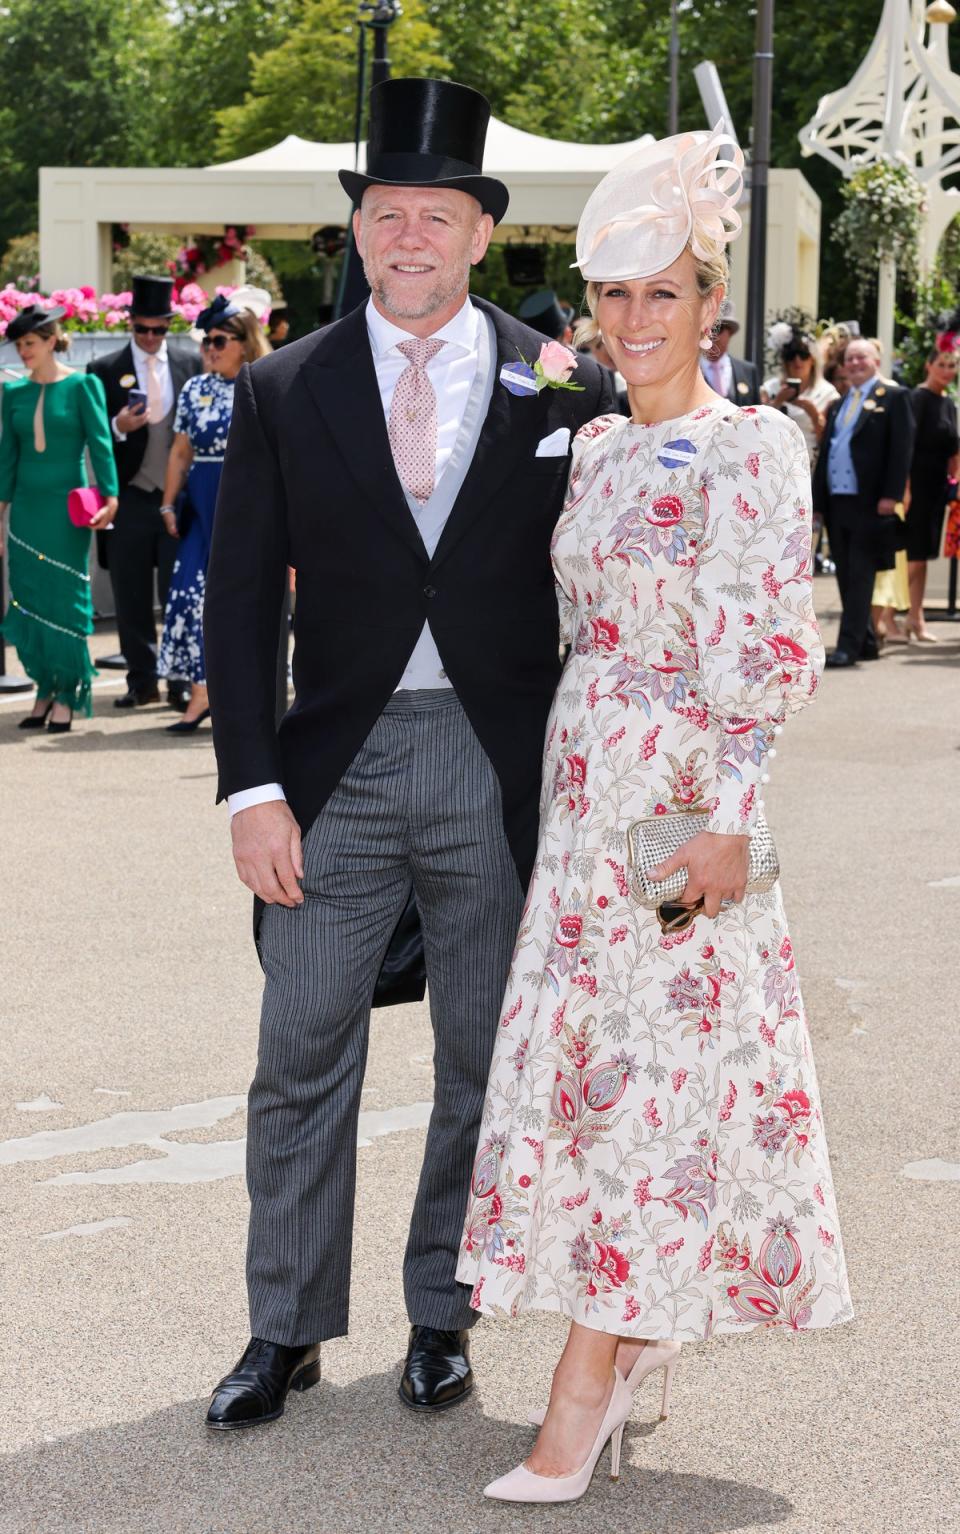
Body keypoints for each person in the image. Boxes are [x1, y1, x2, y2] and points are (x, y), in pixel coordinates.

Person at [201, 76, 616, 1433]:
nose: (412, 237)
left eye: (438, 215)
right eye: (388, 215)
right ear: (359, 234)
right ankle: (286, 1327)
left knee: (483, 1054)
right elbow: (245, 594)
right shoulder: (282, 386)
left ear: (483, 233)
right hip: (338, 771)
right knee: (301, 1042)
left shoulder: (562, 379)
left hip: (500, 765)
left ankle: (445, 1313)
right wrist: (253, 787)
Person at [458, 128, 853, 1505]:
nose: (634, 320)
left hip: (681, 803)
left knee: (659, 1088)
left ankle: (586, 1386)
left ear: (713, 309)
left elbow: (767, 652)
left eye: (665, 293)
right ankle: (629, 1342)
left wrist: (732, 822)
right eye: (613, 295)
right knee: (600, 1081)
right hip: (585, 798)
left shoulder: (749, 449)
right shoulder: (588, 453)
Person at [157, 290, 271, 733]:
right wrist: (168, 502)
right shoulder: (195, 388)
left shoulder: (263, 382)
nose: (209, 350)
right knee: (190, 595)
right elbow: (180, 452)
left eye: (219, 341)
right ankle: (202, 690)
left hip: (246, 502)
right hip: (203, 505)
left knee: (241, 601)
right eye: (206, 341)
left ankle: (234, 697)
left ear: (244, 342)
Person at [0, 305, 118, 732]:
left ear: (51, 340)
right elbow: (6, 462)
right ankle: (44, 689)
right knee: (28, 599)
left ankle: (68, 693)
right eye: (18, 345)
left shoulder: (84, 385)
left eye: (29, 343)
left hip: (67, 510)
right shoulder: (13, 394)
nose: (23, 351)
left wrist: (111, 497)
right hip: (26, 512)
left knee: (64, 600)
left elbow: (101, 445)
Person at [87, 274, 201, 711]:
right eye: (143, 329)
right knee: (130, 594)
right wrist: (119, 426)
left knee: (179, 593)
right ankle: (142, 680)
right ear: (130, 325)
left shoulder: (191, 364)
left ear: (170, 325)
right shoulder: (102, 370)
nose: (151, 337)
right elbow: (95, 434)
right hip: (130, 493)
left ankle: (179, 681)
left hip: (179, 497)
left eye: (159, 329)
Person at [812, 336, 914, 669]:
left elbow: (901, 450)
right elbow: (828, 451)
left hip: (870, 502)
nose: (854, 363)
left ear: (876, 362)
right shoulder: (841, 403)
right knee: (846, 573)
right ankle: (867, 641)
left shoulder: (894, 397)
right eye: (850, 359)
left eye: (862, 358)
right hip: (838, 500)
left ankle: (848, 647)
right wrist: (818, 502)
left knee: (860, 574)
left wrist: (891, 495)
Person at [903, 345, 959, 643]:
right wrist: (906, 487)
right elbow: (907, 445)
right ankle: (892, 617)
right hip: (917, 486)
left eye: (952, 365)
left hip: (938, 488)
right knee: (912, 556)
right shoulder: (918, 398)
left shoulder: (948, 402)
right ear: (928, 365)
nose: (948, 370)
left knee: (924, 555)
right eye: (943, 364)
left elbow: (953, 449)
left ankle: (916, 616)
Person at [699, 297, 760, 405]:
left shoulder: (748, 371)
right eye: (708, 328)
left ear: (730, 333)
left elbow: (757, 416)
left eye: (718, 328)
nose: (711, 335)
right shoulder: (686, 370)